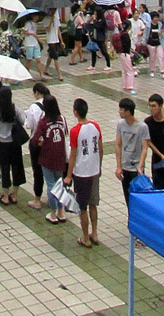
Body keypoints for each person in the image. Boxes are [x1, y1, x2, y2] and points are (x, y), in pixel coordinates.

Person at [64, 98, 102, 247]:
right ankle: (95, 233)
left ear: (75, 112)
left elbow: (73, 154)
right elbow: (100, 148)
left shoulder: (75, 131)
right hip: (94, 170)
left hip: (82, 173)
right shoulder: (96, 126)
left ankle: (86, 238)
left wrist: (68, 175)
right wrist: (99, 166)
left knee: (82, 207)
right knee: (93, 204)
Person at [31, 95, 69, 225]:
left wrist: (39, 143)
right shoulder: (62, 119)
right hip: (60, 156)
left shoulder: (43, 122)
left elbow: (35, 139)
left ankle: (53, 213)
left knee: (51, 185)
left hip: (47, 157)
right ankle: (61, 211)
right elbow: (66, 135)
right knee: (59, 184)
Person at [0, 86, 27, 206]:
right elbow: (23, 121)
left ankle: (5, 196)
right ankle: (14, 195)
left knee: (5, 168)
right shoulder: (14, 108)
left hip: (2, 144)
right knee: (17, 167)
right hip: (15, 142)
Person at [115, 97, 149, 209]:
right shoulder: (120, 124)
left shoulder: (142, 127)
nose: (119, 112)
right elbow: (118, 144)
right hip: (125, 166)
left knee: (138, 197)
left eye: (122, 109)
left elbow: (144, 148)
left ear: (128, 111)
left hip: (136, 168)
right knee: (127, 197)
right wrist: (119, 166)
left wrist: (140, 166)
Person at [24, 82, 50, 210]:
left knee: (37, 171)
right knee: (50, 171)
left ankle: (37, 200)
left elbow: (29, 125)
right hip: (49, 142)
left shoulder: (34, 107)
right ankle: (53, 198)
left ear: (37, 93)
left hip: (36, 142)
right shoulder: (51, 103)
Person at [41, 10, 63, 81]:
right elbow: (48, 29)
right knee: (55, 57)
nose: (53, 12)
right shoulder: (46, 19)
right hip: (50, 40)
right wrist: (51, 21)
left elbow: (58, 30)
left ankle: (46, 69)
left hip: (56, 40)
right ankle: (59, 74)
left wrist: (61, 41)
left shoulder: (56, 18)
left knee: (51, 55)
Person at [146, 12, 164, 78]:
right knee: (152, 57)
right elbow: (145, 34)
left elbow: (163, 35)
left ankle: (162, 71)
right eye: (155, 17)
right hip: (150, 43)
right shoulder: (148, 25)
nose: (156, 19)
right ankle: (152, 70)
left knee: (161, 56)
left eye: (157, 17)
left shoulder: (160, 24)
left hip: (159, 42)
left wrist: (161, 34)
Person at [118, 22, 135, 94]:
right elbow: (127, 45)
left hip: (121, 54)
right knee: (130, 71)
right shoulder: (126, 35)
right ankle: (130, 86)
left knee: (124, 70)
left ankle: (125, 85)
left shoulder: (121, 33)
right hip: (126, 54)